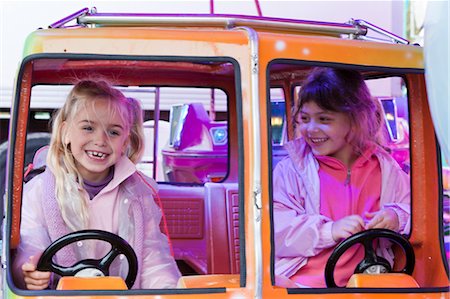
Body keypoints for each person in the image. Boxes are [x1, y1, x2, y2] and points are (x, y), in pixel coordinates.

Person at [13, 79, 181, 290]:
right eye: (88, 128)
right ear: (66, 133)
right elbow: (30, 245)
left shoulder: (138, 195)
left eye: (113, 132)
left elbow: (153, 258)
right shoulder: (38, 191)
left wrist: (168, 291)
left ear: (125, 143)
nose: (100, 140)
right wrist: (29, 271)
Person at [273, 67, 410, 288]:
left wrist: (397, 216)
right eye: (305, 118)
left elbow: (417, 210)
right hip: (303, 284)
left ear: (355, 119)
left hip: (368, 280)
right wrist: (329, 230)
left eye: (324, 119)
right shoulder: (290, 170)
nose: (310, 129)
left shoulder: (385, 168)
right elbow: (277, 230)